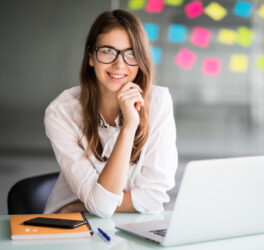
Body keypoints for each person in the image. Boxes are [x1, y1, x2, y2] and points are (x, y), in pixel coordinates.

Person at [43, 9, 178, 218]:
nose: (119, 64)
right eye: (107, 51)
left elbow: (154, 197)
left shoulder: (159, 102)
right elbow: (102, 206)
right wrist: (128, 128)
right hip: (74, 225)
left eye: (131, 53)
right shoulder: (62, 112)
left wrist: (80, 205)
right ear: (90, 57)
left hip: (134, 223)